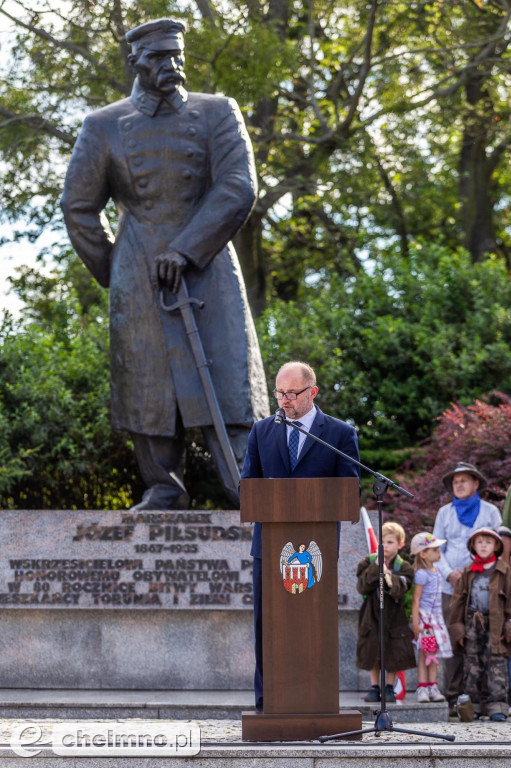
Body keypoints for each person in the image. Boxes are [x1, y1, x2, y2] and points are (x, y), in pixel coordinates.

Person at [61, 18, 269, 511]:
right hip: (138, 274)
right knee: (147, 386)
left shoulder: (218, 112)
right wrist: (117, 274)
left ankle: (247, 484)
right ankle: (162, 486)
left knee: (227, 376)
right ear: (134, 63)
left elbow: (239, 186)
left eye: (176, 55)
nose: (172, 65)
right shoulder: (103, 125)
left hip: (209, 263)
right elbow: (78, 207)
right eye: (158, 58)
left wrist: (187, 248)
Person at [240, 360, 360, 711]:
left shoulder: (339, 434)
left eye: (292, 393)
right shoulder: (261, 431)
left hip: (317, 550)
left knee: (313, 623)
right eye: (279, 392)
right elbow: (248, 486)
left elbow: (349, 491)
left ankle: (317, 699)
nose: (284, 400)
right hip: (270, 547)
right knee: (269, 625)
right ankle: (268, 702)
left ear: (313, 392)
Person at [432, 461, 501, 714]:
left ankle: (483, 701)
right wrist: (451, 573)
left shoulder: (490, 512)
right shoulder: (444, 513)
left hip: (482, 587)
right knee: (453, 642)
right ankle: (452, 699)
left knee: (483, 642)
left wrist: (472, 571)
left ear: (476, 484)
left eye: (464, 480)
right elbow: (436, 548)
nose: (458, 484)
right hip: (450, 589)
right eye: (455, 481)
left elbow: (496, 547)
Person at [448, 528, 511, 721]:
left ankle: (497, 706)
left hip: (497, 625)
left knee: (497, 664)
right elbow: (457, 602)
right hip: (472, 625)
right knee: (472, 665)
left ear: (496, 546)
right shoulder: (468, 571)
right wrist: (458, 630)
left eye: (488, 542)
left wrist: (509, 626)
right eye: (480, 542)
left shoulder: (504, 570)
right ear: (473, 546)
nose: (484, 545)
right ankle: (471, 706)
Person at [356, 521, 416, 703]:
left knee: (393, 652)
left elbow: (402, 588)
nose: (386, 546)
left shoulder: (403, 566)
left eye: (390, 542)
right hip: (371, 615)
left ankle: (389, 687)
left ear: (400, 544)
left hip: (394, 616)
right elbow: (362, 586)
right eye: (382, 542)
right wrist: (376, 567)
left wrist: (389, 576)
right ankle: (374, 687)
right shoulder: (368, 562)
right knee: (373, 651)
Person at [410, 532, 452, 703]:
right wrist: (415, 623)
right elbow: (416, 598)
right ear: (423, 554)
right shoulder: (421, 574)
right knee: (423, 654)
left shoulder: (437, 572)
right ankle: (422, 687)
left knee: (433, 654)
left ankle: (433, 686)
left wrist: (440, 618)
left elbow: (438, 597)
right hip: (425, 619)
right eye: (434, 550)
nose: (438, 552)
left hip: (436, 619)